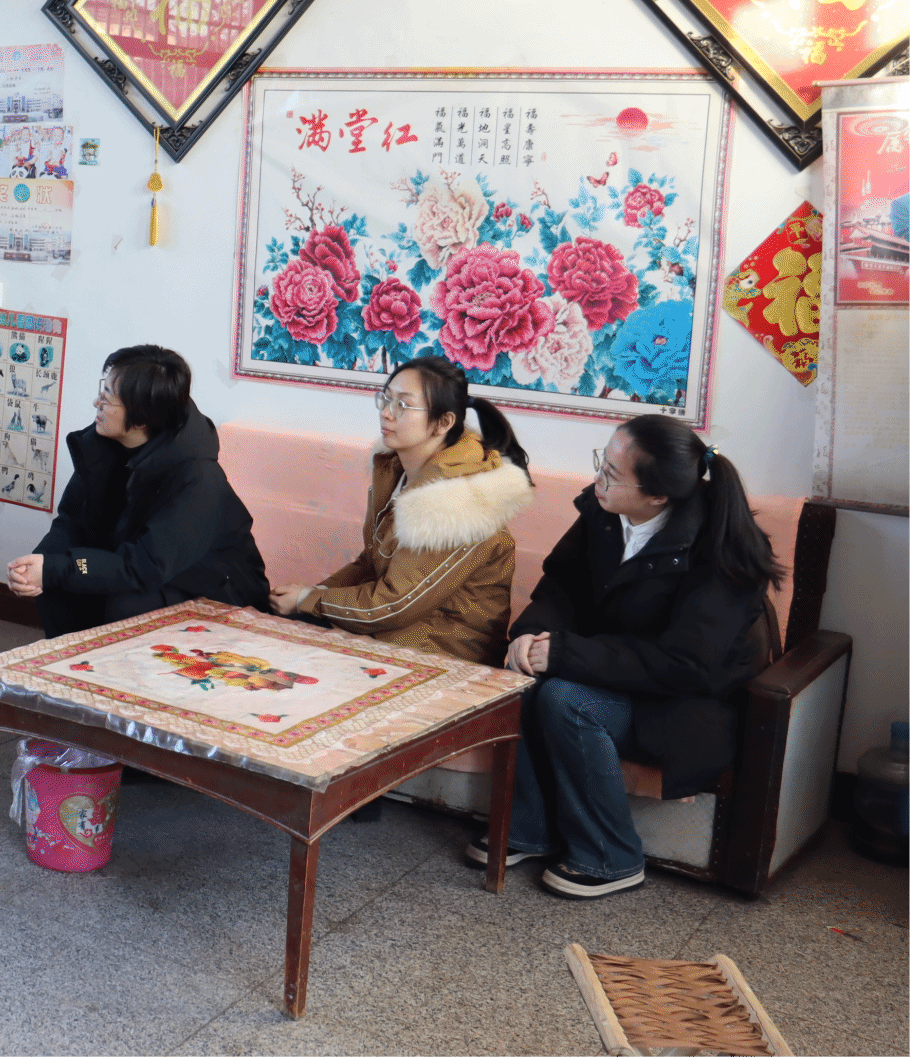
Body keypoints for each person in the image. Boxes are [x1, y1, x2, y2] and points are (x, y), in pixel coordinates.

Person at [477, 417, 782, 899]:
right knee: (525, 678)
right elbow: (562, 588)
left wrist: (566, 654)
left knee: (565, 699)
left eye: (613, 474)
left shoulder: (723, 551)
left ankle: (611, 857)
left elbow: (685, 665)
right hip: (617, 675)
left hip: (687, 708)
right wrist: (531, 635)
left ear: (657, 495)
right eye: (602, 462)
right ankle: (530, 830)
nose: (598, 480)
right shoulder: (604, 512)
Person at [268, 355, 535, 665]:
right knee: (282, 632)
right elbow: (370, 562)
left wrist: (309, 600)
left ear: (444, 423)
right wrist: (315, 592)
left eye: (403, 405)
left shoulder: (459, 501)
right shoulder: (398, 470)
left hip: (444, 652)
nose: (386, 413)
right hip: (398, 631)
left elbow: (394, 604)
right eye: (386, 399)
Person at [6, 345, 268, 638]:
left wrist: (57, 569)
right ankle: (76, 663)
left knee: (125, 607)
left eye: (107, 398)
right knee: (55, 586)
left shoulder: (199, 479)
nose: (96, 403)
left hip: (212, 588)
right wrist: (39, 564)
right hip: (140, 565)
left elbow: (144, 566)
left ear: (141, 418)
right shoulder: (103, 444)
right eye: (102, 391)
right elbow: (71, 520)